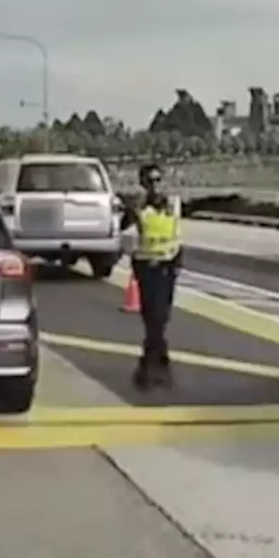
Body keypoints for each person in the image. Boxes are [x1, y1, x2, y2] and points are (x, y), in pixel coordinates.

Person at [120, 162, 183, 389]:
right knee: (153, 320)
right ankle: (149, 367)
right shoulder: (138, 209)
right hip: (148, 270)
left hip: (168, 270)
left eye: (158, 180)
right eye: (150, 181)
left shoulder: (172, 205)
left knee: (161, 320)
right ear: (143, 184)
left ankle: (157, 363)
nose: (155, 186)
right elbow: (124, 234)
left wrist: (177, 265)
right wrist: (129, 212)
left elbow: (177, 235)